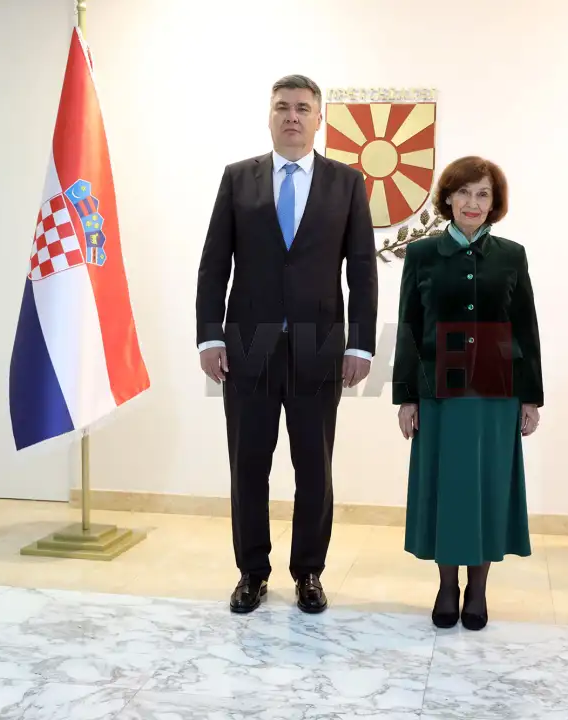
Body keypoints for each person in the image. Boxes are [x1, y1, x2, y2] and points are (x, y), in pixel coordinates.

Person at [195, 75, 378, 615]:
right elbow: (214, 264)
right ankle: (251, 571)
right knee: (248, 463)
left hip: (319, 346)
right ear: (269, 116)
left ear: (319, 119)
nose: (292, 116)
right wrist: (209, 334)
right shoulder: (238, 179)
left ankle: (309, 572)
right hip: (246, 346)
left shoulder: (347, 183)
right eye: (282, 107)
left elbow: (362, 270)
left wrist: (361, 345)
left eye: (302, 108)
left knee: (314, 467)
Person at [392, 156, 543, 631]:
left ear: (494, 202)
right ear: (448, 199)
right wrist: (406, 397)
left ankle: (478, 589)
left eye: (482, 194)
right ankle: (446, 586)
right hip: (439, 391)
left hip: (497, 391)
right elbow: (409, 326)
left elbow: (526, 326)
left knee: (487, 489)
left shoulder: (512, 255)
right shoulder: (421, 254)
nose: (472, 203)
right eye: (463, 192)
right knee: (448, 489)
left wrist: (531, 397)